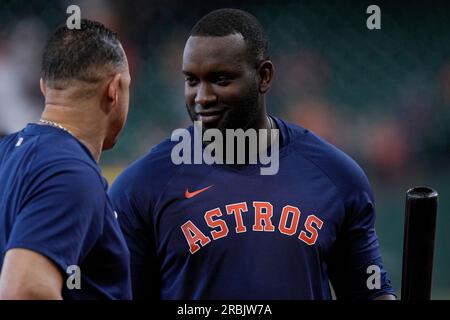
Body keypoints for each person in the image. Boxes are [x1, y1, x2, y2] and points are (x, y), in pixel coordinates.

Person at [109, 8, 396, 300]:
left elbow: (369, 292)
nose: (202, 97)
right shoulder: (141, 187)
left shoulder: (336, 176)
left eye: (220, 79)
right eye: (192, 81)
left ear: (264, 76)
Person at [0, 19, 132, 299]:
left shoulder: (8, 152)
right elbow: (25, 289)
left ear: (44, 88)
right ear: (114, 90)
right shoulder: (70, 172)